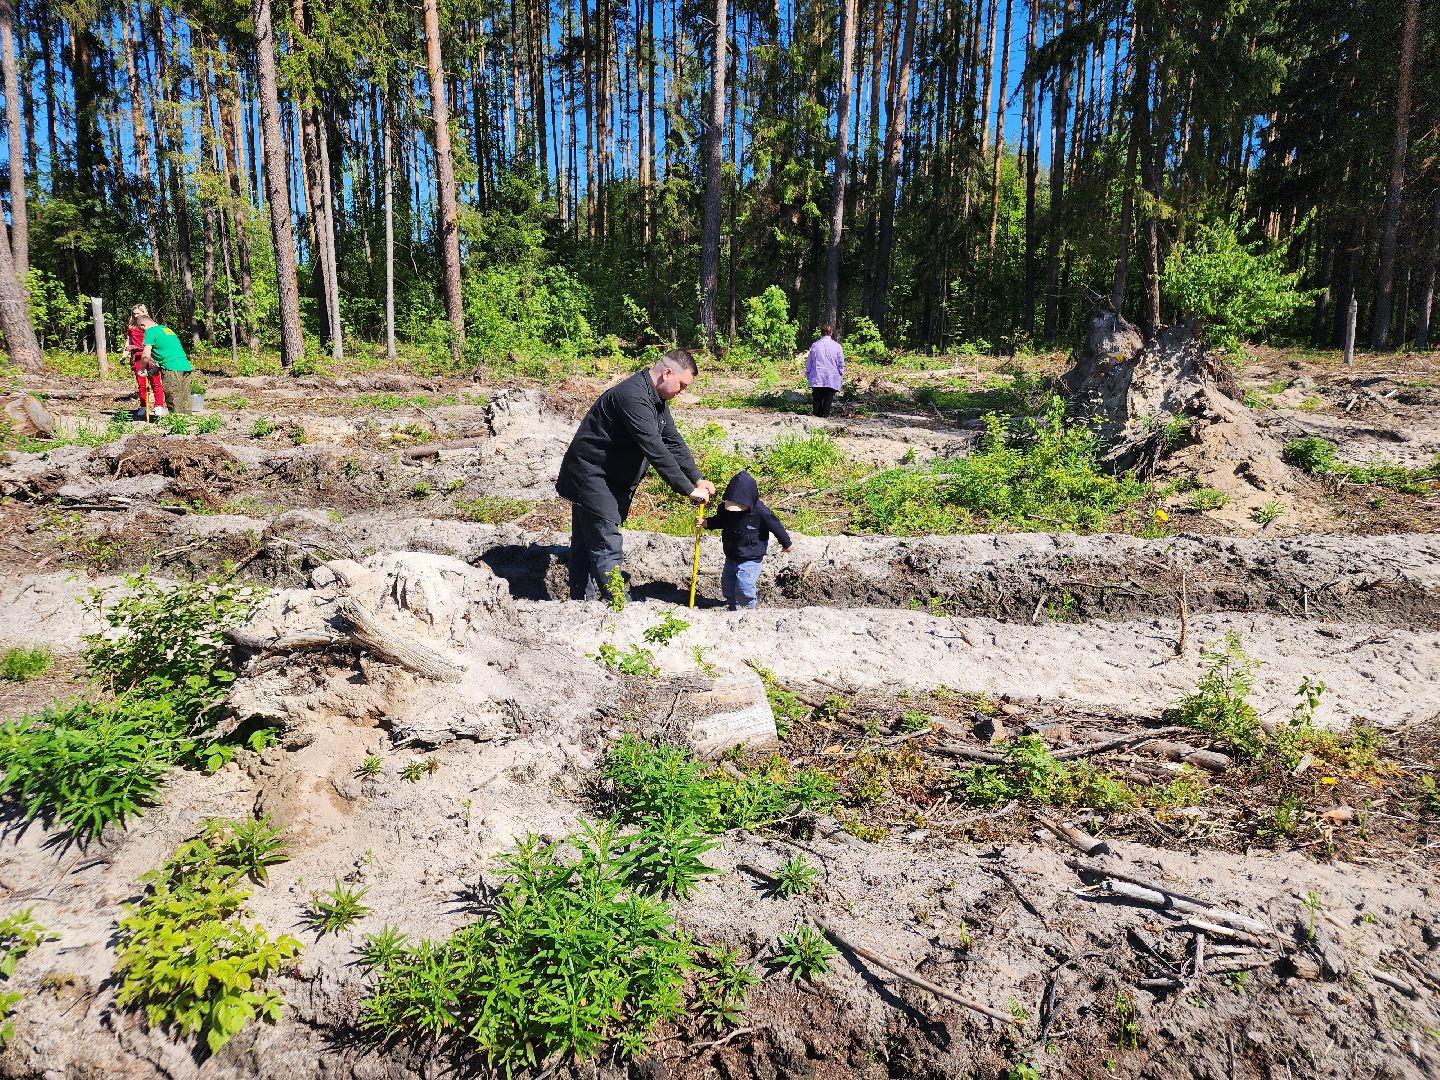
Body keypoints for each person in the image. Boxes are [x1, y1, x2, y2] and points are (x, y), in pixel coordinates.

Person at [556, 349, 716, 601]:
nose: (682, 392)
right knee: (606, 545)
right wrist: (687, 489)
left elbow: (671, 440)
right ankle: (619, 607)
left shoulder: (655, 399)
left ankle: (581, 605)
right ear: (666, 373)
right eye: (682, 385)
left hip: (605, 476)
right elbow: (654, 447)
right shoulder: (633, 397)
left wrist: (696, 477)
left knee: (586, 545)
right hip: (591, 475)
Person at [703, 469, 792, 611]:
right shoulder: (725, 509)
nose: (733, 511)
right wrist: (707, 523)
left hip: (751, 556)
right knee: (727, 584)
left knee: (744, 585)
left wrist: (786, 543)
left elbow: (776, 526)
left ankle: (748, 609)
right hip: (731, 554)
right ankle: (733, 606)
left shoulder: (760, 512)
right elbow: (720, 521)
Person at [136, 309, 195, 415]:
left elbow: (145, 355)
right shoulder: (165, 329)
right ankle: (187, 422)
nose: (142, 331)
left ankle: (177, 424)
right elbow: (167, 351)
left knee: (173, 397)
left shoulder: (150, 331)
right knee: (185, 398)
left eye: (141, 329)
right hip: (185, 366)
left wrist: (142, 368)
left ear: (143, 325)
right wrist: (157, 367)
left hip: (172, 369)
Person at [126, 305, 167, 419]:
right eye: (133, 314)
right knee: (141, 383)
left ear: (143, 313)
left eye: (138, 314)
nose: (135, 316)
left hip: (150, 356)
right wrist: (124, 355)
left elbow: (157, 339)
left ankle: (159, 405)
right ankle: (144, 406)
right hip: (137, 356)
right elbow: (128, 341)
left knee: (155, 381)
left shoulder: (150, 325)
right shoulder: (131, 327)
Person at [805, 324, 844, 417]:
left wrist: (808, 373)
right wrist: (841, 373)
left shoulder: (815, 345)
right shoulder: (837, 346)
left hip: (817, 375)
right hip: (831, 376)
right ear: (831, 332)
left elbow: (809, 361)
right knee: (828, 398)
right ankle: (825, 417)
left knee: (817, 398)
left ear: (821, 332)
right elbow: (840, 362)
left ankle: (816, 418)